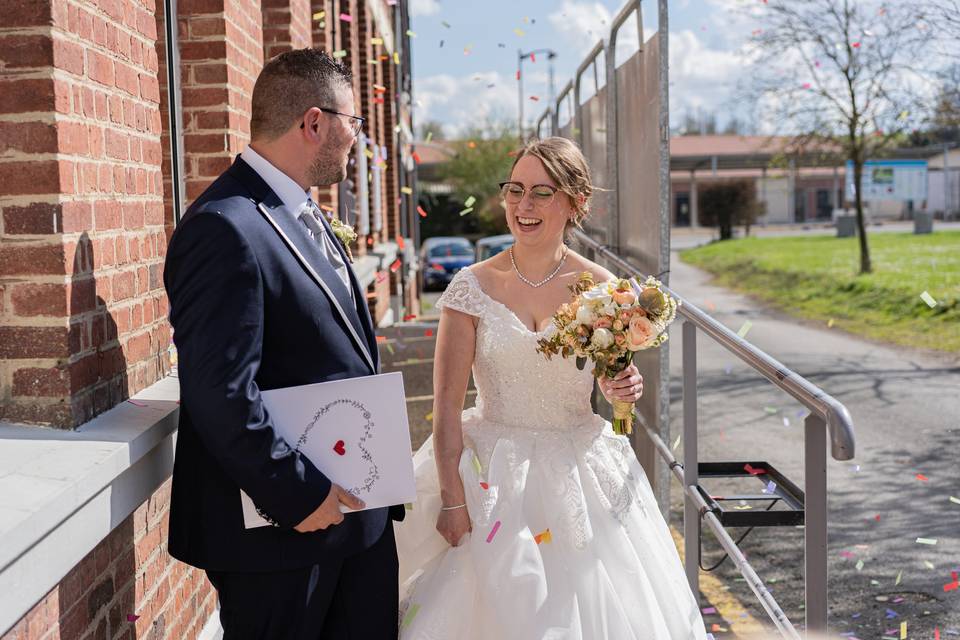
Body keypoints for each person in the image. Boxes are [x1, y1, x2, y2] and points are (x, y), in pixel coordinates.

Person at [394, 137, 707, 639]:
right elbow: (447, 407)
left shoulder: (602, 287)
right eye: (515, 189)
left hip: (578, 473)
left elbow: (613, 386)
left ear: (575, 202)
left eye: (542, 192)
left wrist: (625, 385)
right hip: (490, 476)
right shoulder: (470, 289)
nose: (524, 205)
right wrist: (452, 500)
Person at [163, 49, 403, 639]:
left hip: (354, 524)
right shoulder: (225, 226)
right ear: (314, 122)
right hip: (282, 540)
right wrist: (299, 495)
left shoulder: (301, 213)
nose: (358, 140)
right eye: (355, 123)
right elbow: (219, 391)